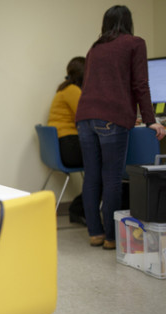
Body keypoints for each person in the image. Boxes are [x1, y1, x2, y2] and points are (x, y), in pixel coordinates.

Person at [75, 5, 166, 250]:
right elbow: (141, 84)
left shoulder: (96, 48)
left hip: (84, 117)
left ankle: (95, 233)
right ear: (129, 22)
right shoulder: (134, 43)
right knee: (112, 178)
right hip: (111, 118)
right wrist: (150, 119)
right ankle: (111, 237)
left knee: (92, 177)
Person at [48, 56, 86, 225]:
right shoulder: (73, 91)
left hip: (63, 146)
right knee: (104, 165)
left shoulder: (63, 90)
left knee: (100, 166)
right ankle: (77, 208)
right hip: (69, 146)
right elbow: (87, 115)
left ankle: (80, 209)